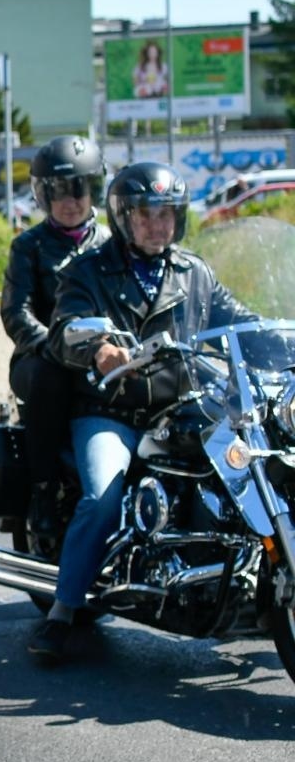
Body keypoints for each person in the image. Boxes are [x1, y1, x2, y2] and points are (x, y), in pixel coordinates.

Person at [34, 161, 258, 661]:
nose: (159, 224)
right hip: (112, 412)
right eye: (147, 214)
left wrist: (278, 334)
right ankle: (62, 612)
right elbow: (64, 326)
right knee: (102, 496)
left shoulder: (193, 272)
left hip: (182, 408)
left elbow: (240, 321)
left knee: (255, 463)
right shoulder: (89, 270)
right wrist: (99, 349)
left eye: (168, 214)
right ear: (123, 217)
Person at [0, 135, 110, 536]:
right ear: (43, 195)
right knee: (51, 378)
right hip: (41, 357)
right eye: (59, 191)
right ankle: (43, 491)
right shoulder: (28, 246)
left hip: (103, 352)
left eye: (78, 188)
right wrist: (54, 345)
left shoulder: (112, 243)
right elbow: (15, 311)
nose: (70, 200)